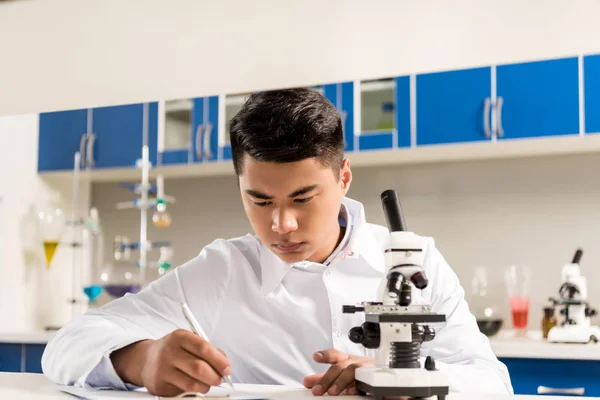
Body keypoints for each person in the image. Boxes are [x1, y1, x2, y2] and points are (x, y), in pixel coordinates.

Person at [42, 88, 513, 397]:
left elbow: (492, 383)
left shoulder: (414, 260)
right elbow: (68, 344)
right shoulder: (221, 271)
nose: (281, 224)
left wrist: (399, 381)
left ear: (343, 177)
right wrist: (140, 360)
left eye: (303, 197)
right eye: (259, 200)